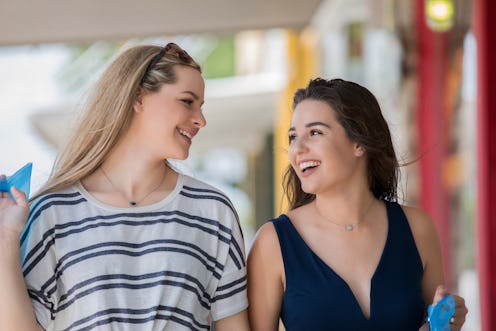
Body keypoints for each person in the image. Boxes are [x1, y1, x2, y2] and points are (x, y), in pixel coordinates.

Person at [0, 42, 249, 331]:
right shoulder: (52, 212)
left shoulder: (213, 211)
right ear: (138, 97)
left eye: (200, 106)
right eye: (187, 101)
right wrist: (6, 240)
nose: (200, 120)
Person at [247, 78, 468, 331]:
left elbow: (434, 324)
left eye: (315, 132)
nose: (298, 148)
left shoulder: (418, 229)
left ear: (359, 143)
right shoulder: (273, 243)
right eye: (293, 137)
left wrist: (446, 323)